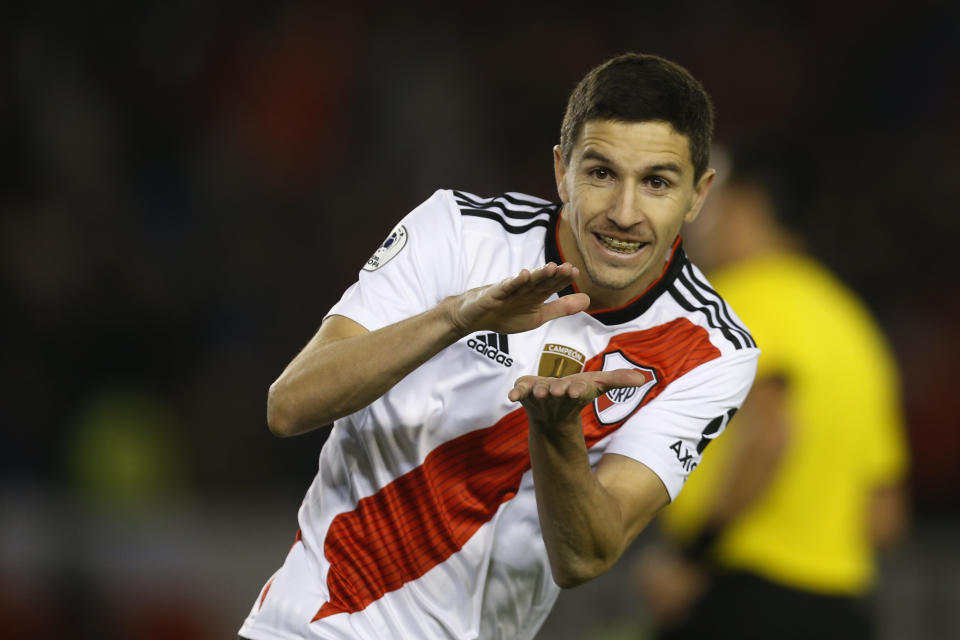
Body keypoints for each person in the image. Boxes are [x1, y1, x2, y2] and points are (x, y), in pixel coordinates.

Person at [239, 53, 759, 640]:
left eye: (657, 183)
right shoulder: (457, 232)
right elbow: (290, 405)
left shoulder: (713, 351)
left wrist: (557, 426)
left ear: (698, 195)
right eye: (601, 173)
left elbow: (586, 558)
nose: (624, 213)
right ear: (562, 170)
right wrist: (456, 318)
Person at [635, 145, 910, 639]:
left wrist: (691, 560)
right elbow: (885, 515)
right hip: (841, 611)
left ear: (746, 206)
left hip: (743, 598)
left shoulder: (739, 300)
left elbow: (768, 436)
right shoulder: (853, 325)